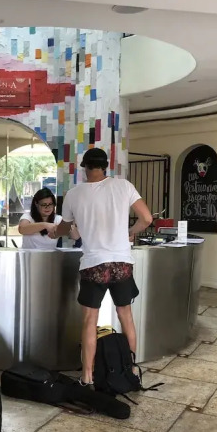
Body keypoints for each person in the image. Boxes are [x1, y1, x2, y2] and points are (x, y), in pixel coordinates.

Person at [52, 148, 153, 386]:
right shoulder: (124, 186)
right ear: (106, 166)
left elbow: (64, 228)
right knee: (125, 315)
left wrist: (56, 231)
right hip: (121, 263)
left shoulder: (74, 194)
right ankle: (131, 370)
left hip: (93, 264)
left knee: (90, 320)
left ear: (84, 167)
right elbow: (147, 219)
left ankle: (87, 376)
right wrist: (129, 232)